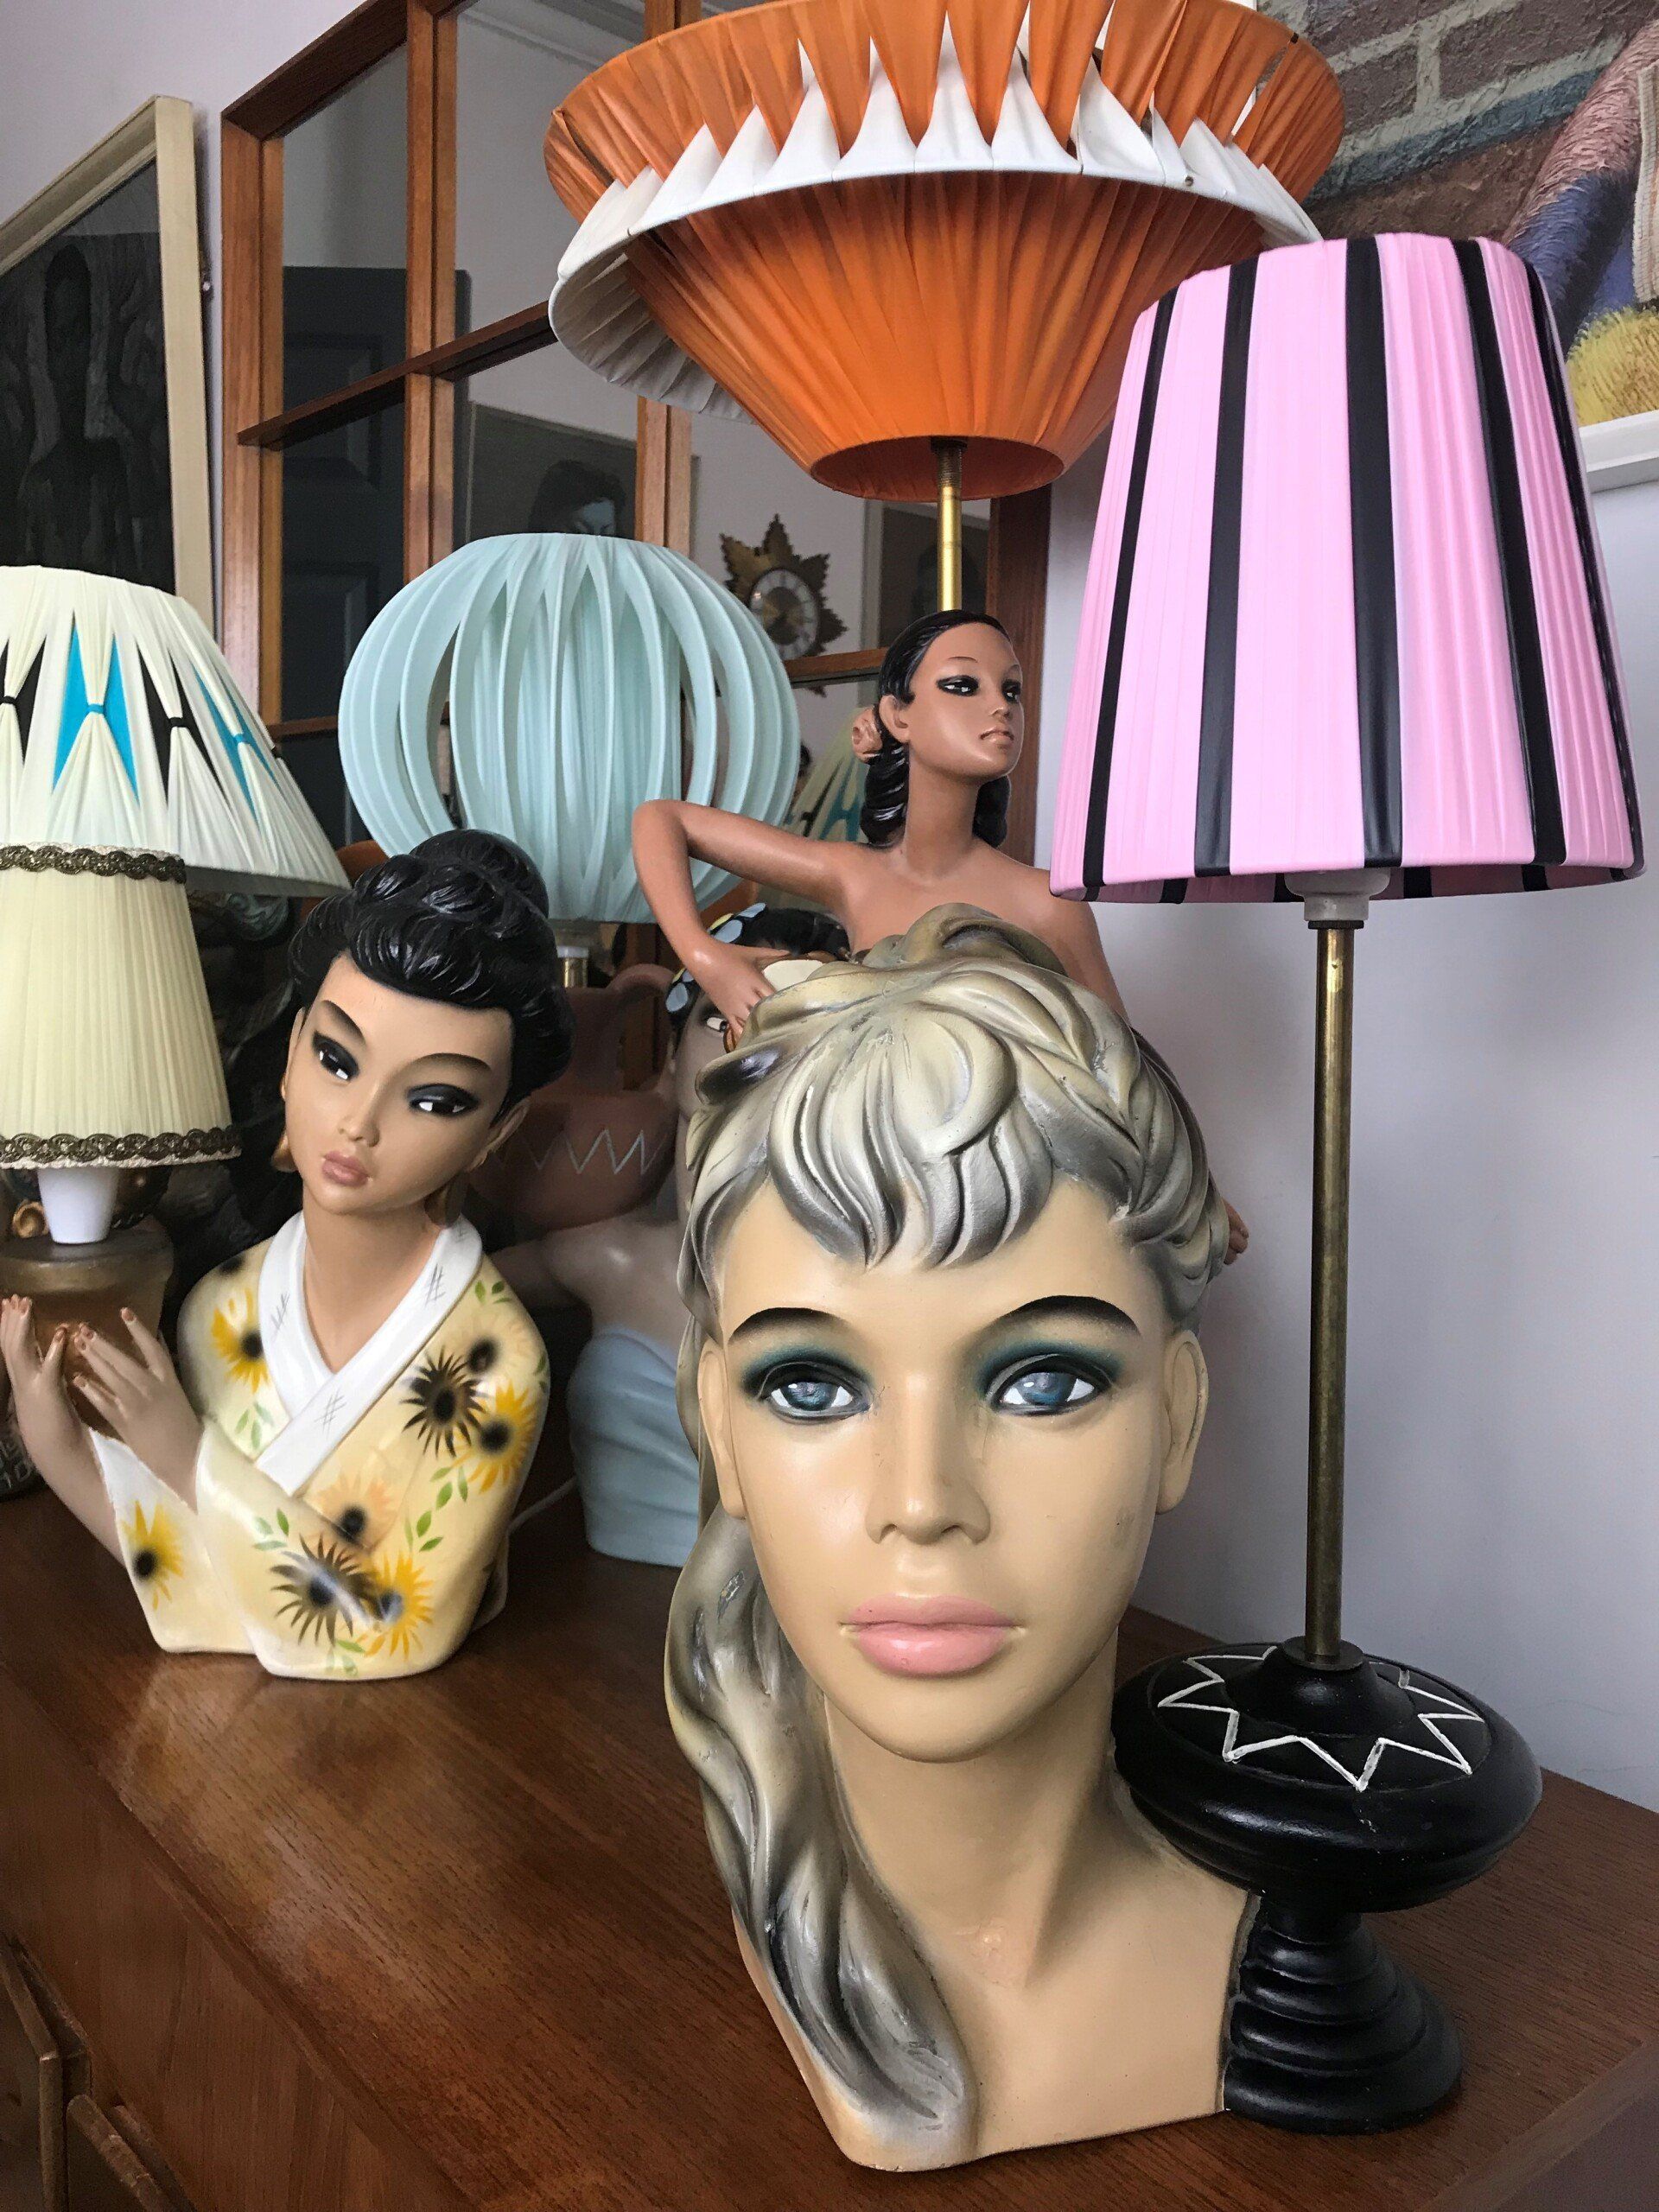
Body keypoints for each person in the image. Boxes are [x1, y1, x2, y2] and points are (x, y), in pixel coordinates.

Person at [666, 907, 1258, 2168]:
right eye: (811, 1385)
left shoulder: (1269, 1978)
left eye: (1045, 1381)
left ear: (1179, 1417)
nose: (923, 1499)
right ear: (718, 1422)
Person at [0, 832, 572, 1680]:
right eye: (336, 1059)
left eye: (434, 1099)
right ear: (292, 1047)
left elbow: (400, 1628)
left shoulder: (496, 1364)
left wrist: (187, 1454)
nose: (358, 1122)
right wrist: (62, 1447)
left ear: (499, 1128)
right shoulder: (222, 1305)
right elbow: (178, 1555)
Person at [633, 611, 1249, 1261]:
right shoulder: (854, 876)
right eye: (963, 685)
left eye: (1012, 690)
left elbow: (1124, 1064)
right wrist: (705, 955)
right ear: (898, 716)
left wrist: (1196, 1184)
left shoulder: (1047, 903)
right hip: (871, 1187)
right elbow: (661, 820)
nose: (1000, 707)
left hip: (1004, 1206)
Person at [493, 905, 846, 1567]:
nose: (747, 1036)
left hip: (789, 1594)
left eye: (791, 1013)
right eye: (719, 1015)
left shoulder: (860, 1279)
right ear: (673, 1054)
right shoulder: (607, 1256)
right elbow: (432, 1300)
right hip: (605, 1588)